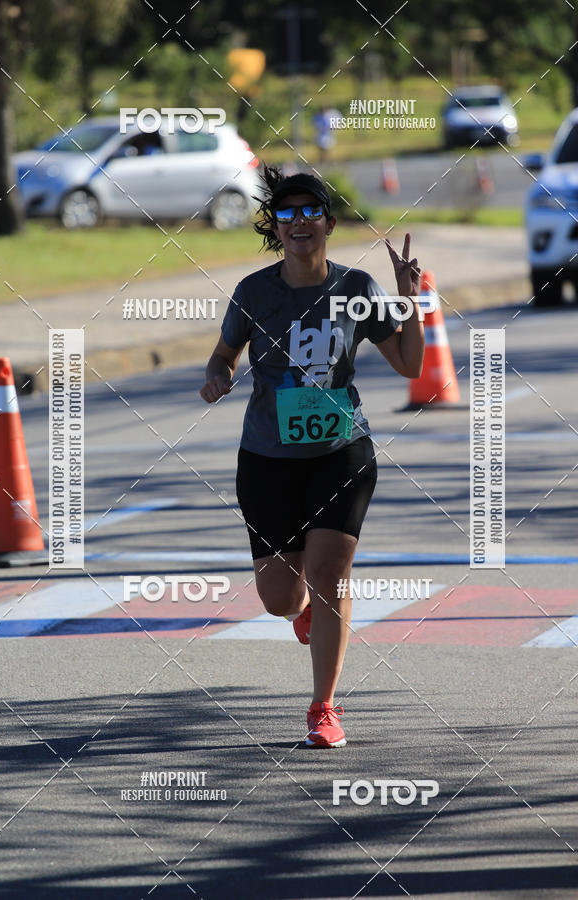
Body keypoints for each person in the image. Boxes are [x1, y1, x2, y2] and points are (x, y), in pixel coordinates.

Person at [200, 165, 424, 748]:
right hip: (267, 457)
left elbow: (410, 364)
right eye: (287, 213)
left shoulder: (356, 289)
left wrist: (410, 301)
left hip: (341, 451)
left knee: (329, 576)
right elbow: (223, 354)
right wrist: (218, 375)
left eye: (310, 212)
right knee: (281, 599)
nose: (299, 223)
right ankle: (304, 614)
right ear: (276, 225)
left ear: (328, 221)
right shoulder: (254, 292)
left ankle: (323, 708)